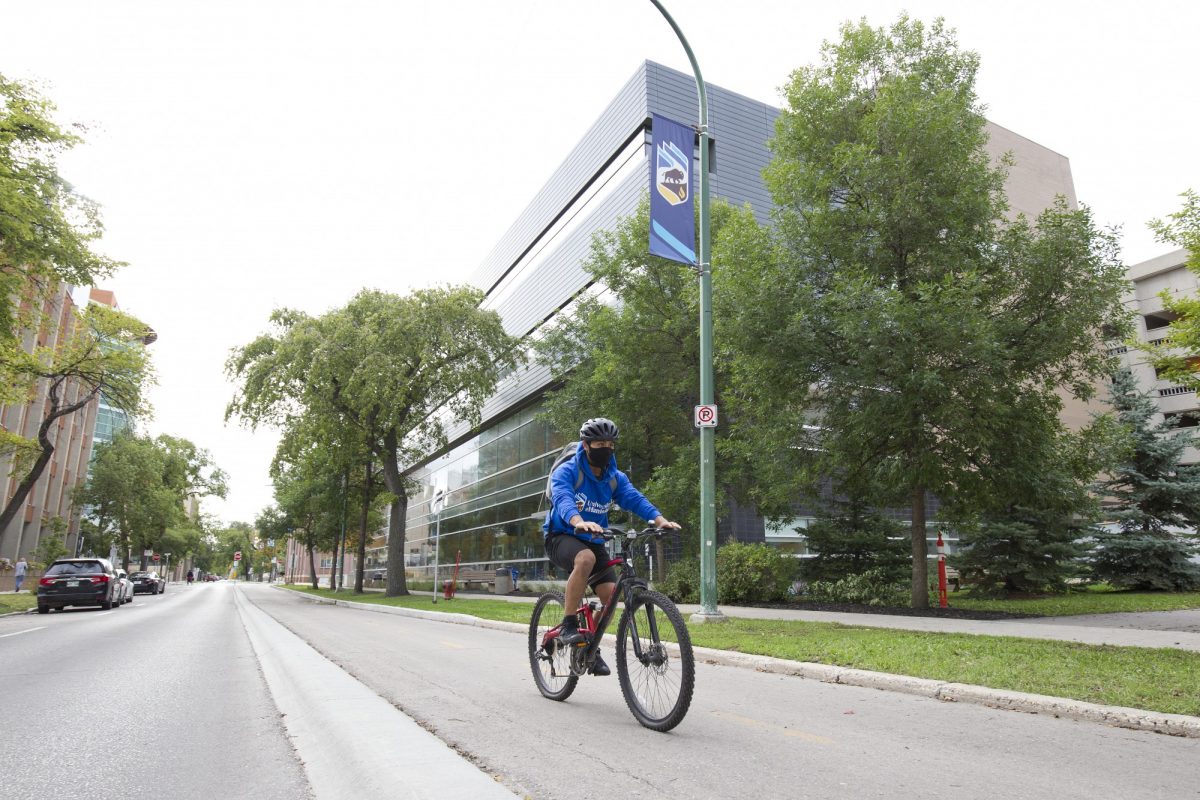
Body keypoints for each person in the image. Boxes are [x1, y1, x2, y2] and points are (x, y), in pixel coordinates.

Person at [543, 417, 680, 676]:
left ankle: (589, 650)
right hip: (562, 535)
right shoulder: (568, 471)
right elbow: (562, 497)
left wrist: (660, 520)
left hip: (594, 539)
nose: (606, 448)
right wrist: (578, 520)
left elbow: (634, 499)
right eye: (600, 443)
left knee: (609, 598)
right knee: (584, 559)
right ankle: (569, 623)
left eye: (610, 443)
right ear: (586, 445)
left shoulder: (614, 478)